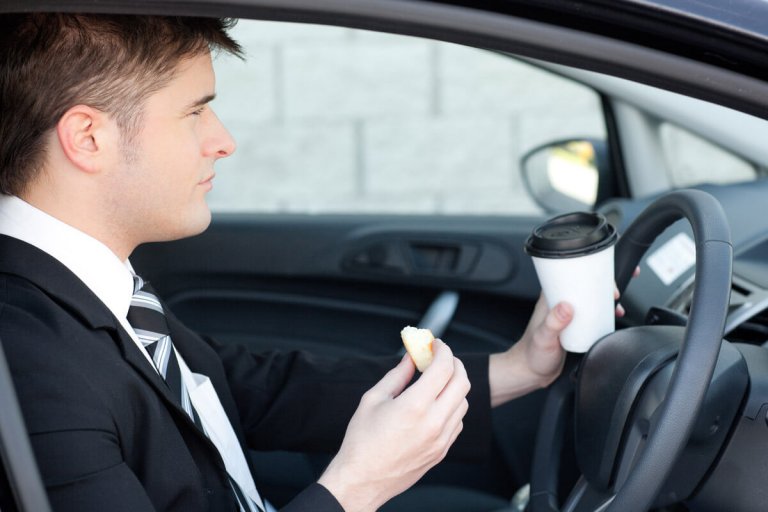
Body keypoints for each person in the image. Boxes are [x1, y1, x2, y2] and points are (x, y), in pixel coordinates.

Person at [0, 13, 578, 512]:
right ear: (88, 138)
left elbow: (250, 387)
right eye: (195, 113)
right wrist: (356, 486)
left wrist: (518, 368)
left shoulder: (86, 283)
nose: (223, 141)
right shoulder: (28, 365)